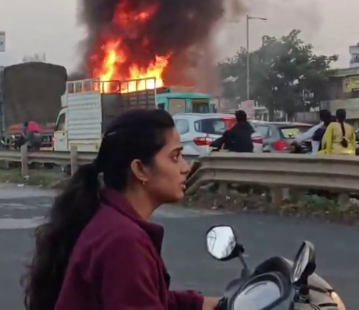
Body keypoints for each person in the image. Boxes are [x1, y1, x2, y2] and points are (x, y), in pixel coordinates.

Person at [22, 109, 220, 310]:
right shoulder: (123, 241)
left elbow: (146, 297)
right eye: (175, 157)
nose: (185, 167)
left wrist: (200, 304)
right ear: (140, 169)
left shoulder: (109, 220)